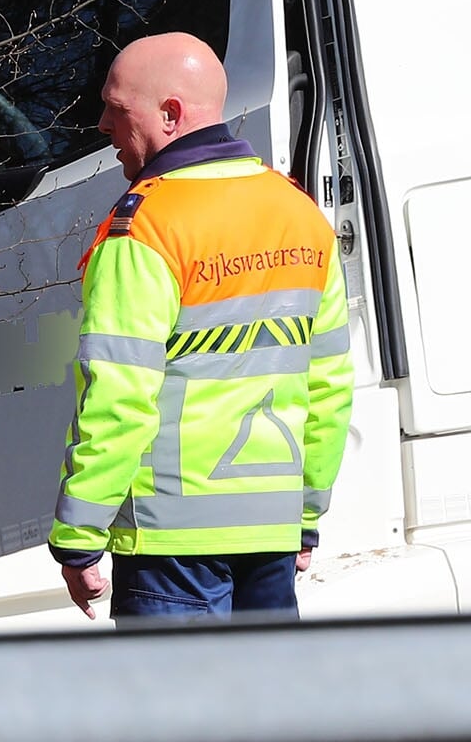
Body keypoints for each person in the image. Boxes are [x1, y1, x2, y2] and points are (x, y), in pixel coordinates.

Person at [49, 32, 354, 621]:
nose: (103, 125)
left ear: (169, 114)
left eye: (117, 109)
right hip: (271, 532)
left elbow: (119, 396)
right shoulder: (302, 217)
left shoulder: (145, 229)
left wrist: (80, 534)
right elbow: (329, 384)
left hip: (171, 546)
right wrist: (307, 513)